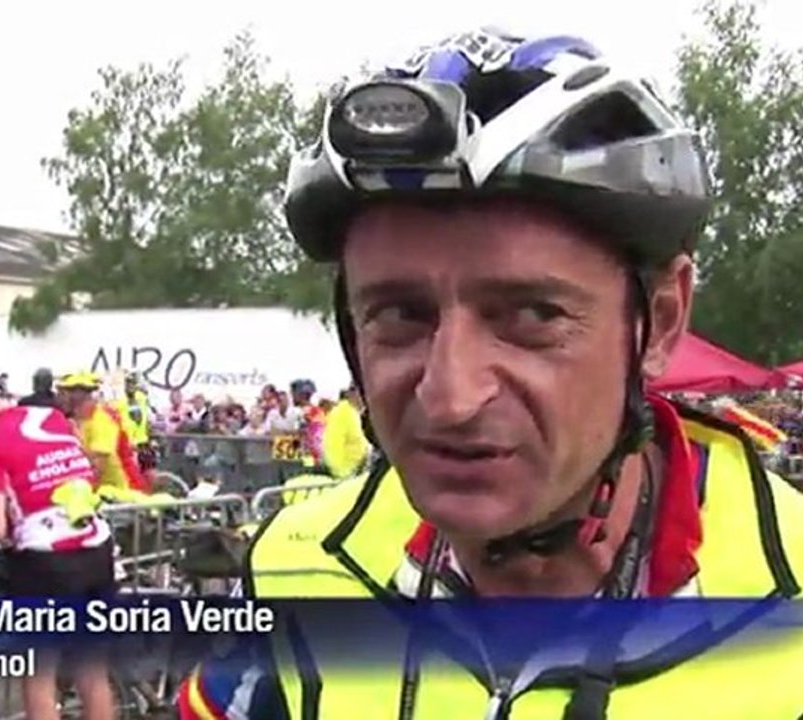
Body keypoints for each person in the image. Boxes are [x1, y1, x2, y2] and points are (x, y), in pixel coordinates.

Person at [179, 27, 803, 719]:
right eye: (399, 315)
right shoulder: (291, 567)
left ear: (660, 320)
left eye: (533, 315)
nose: (450, 399)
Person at [0, 362, 115, 720]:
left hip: (45, 562)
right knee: (92, 670)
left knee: (39, 673)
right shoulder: (51, 417)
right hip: (96, 547)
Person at [56, 372, 149, 494]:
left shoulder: (102, 419)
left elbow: (97, 469)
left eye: (63, 393)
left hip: (123, 493)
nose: (58, 398)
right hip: (101, 494)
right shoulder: (75, 421)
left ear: (78, 395)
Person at [321, 383, 370, 480]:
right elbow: (332, 446)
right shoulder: (341, 412)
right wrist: (342, 475)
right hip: (345, 477)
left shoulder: (357, 413)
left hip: (360, 474)